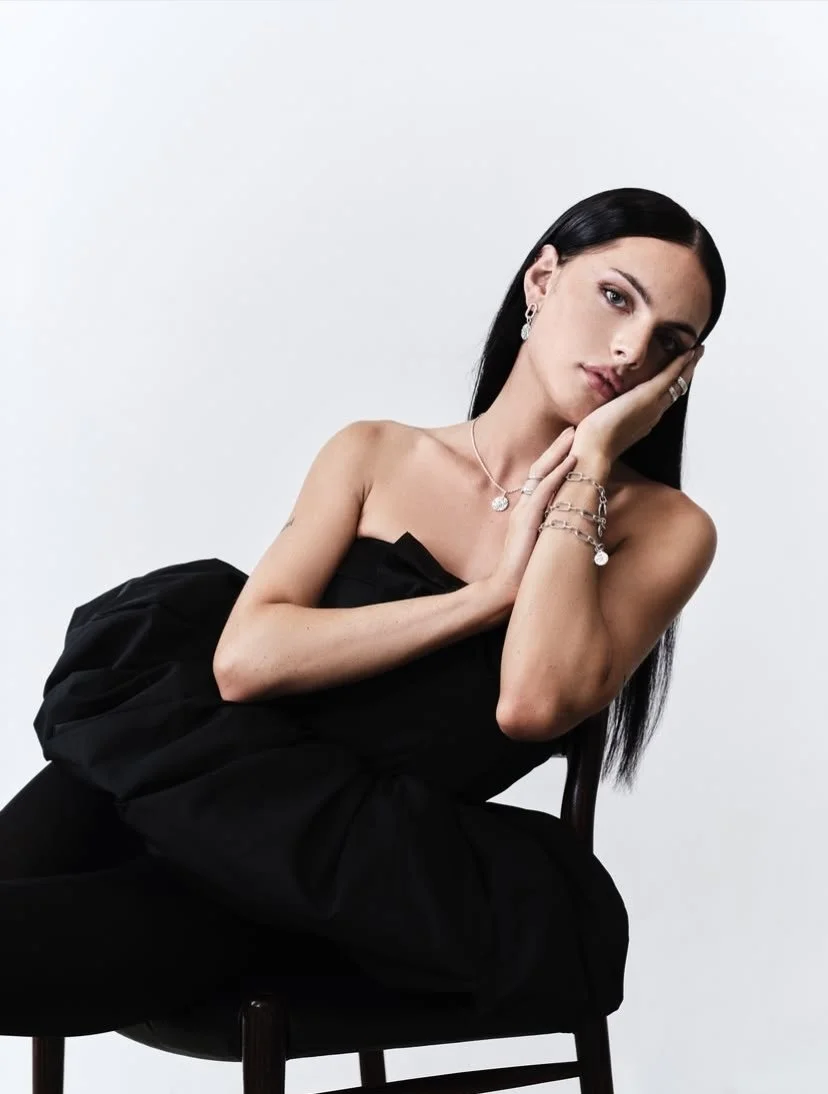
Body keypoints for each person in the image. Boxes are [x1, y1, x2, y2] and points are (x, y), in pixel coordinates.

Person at [1, 186, 725, 1039]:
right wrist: (485, 600)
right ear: (541, 280)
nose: (631, 348)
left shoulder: (667, 529)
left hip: (330, 871)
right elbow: (244, 662)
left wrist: (592, 467)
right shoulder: (376, 452)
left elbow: (533, 703)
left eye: (670, 343)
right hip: (188, 777)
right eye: (616, 297)